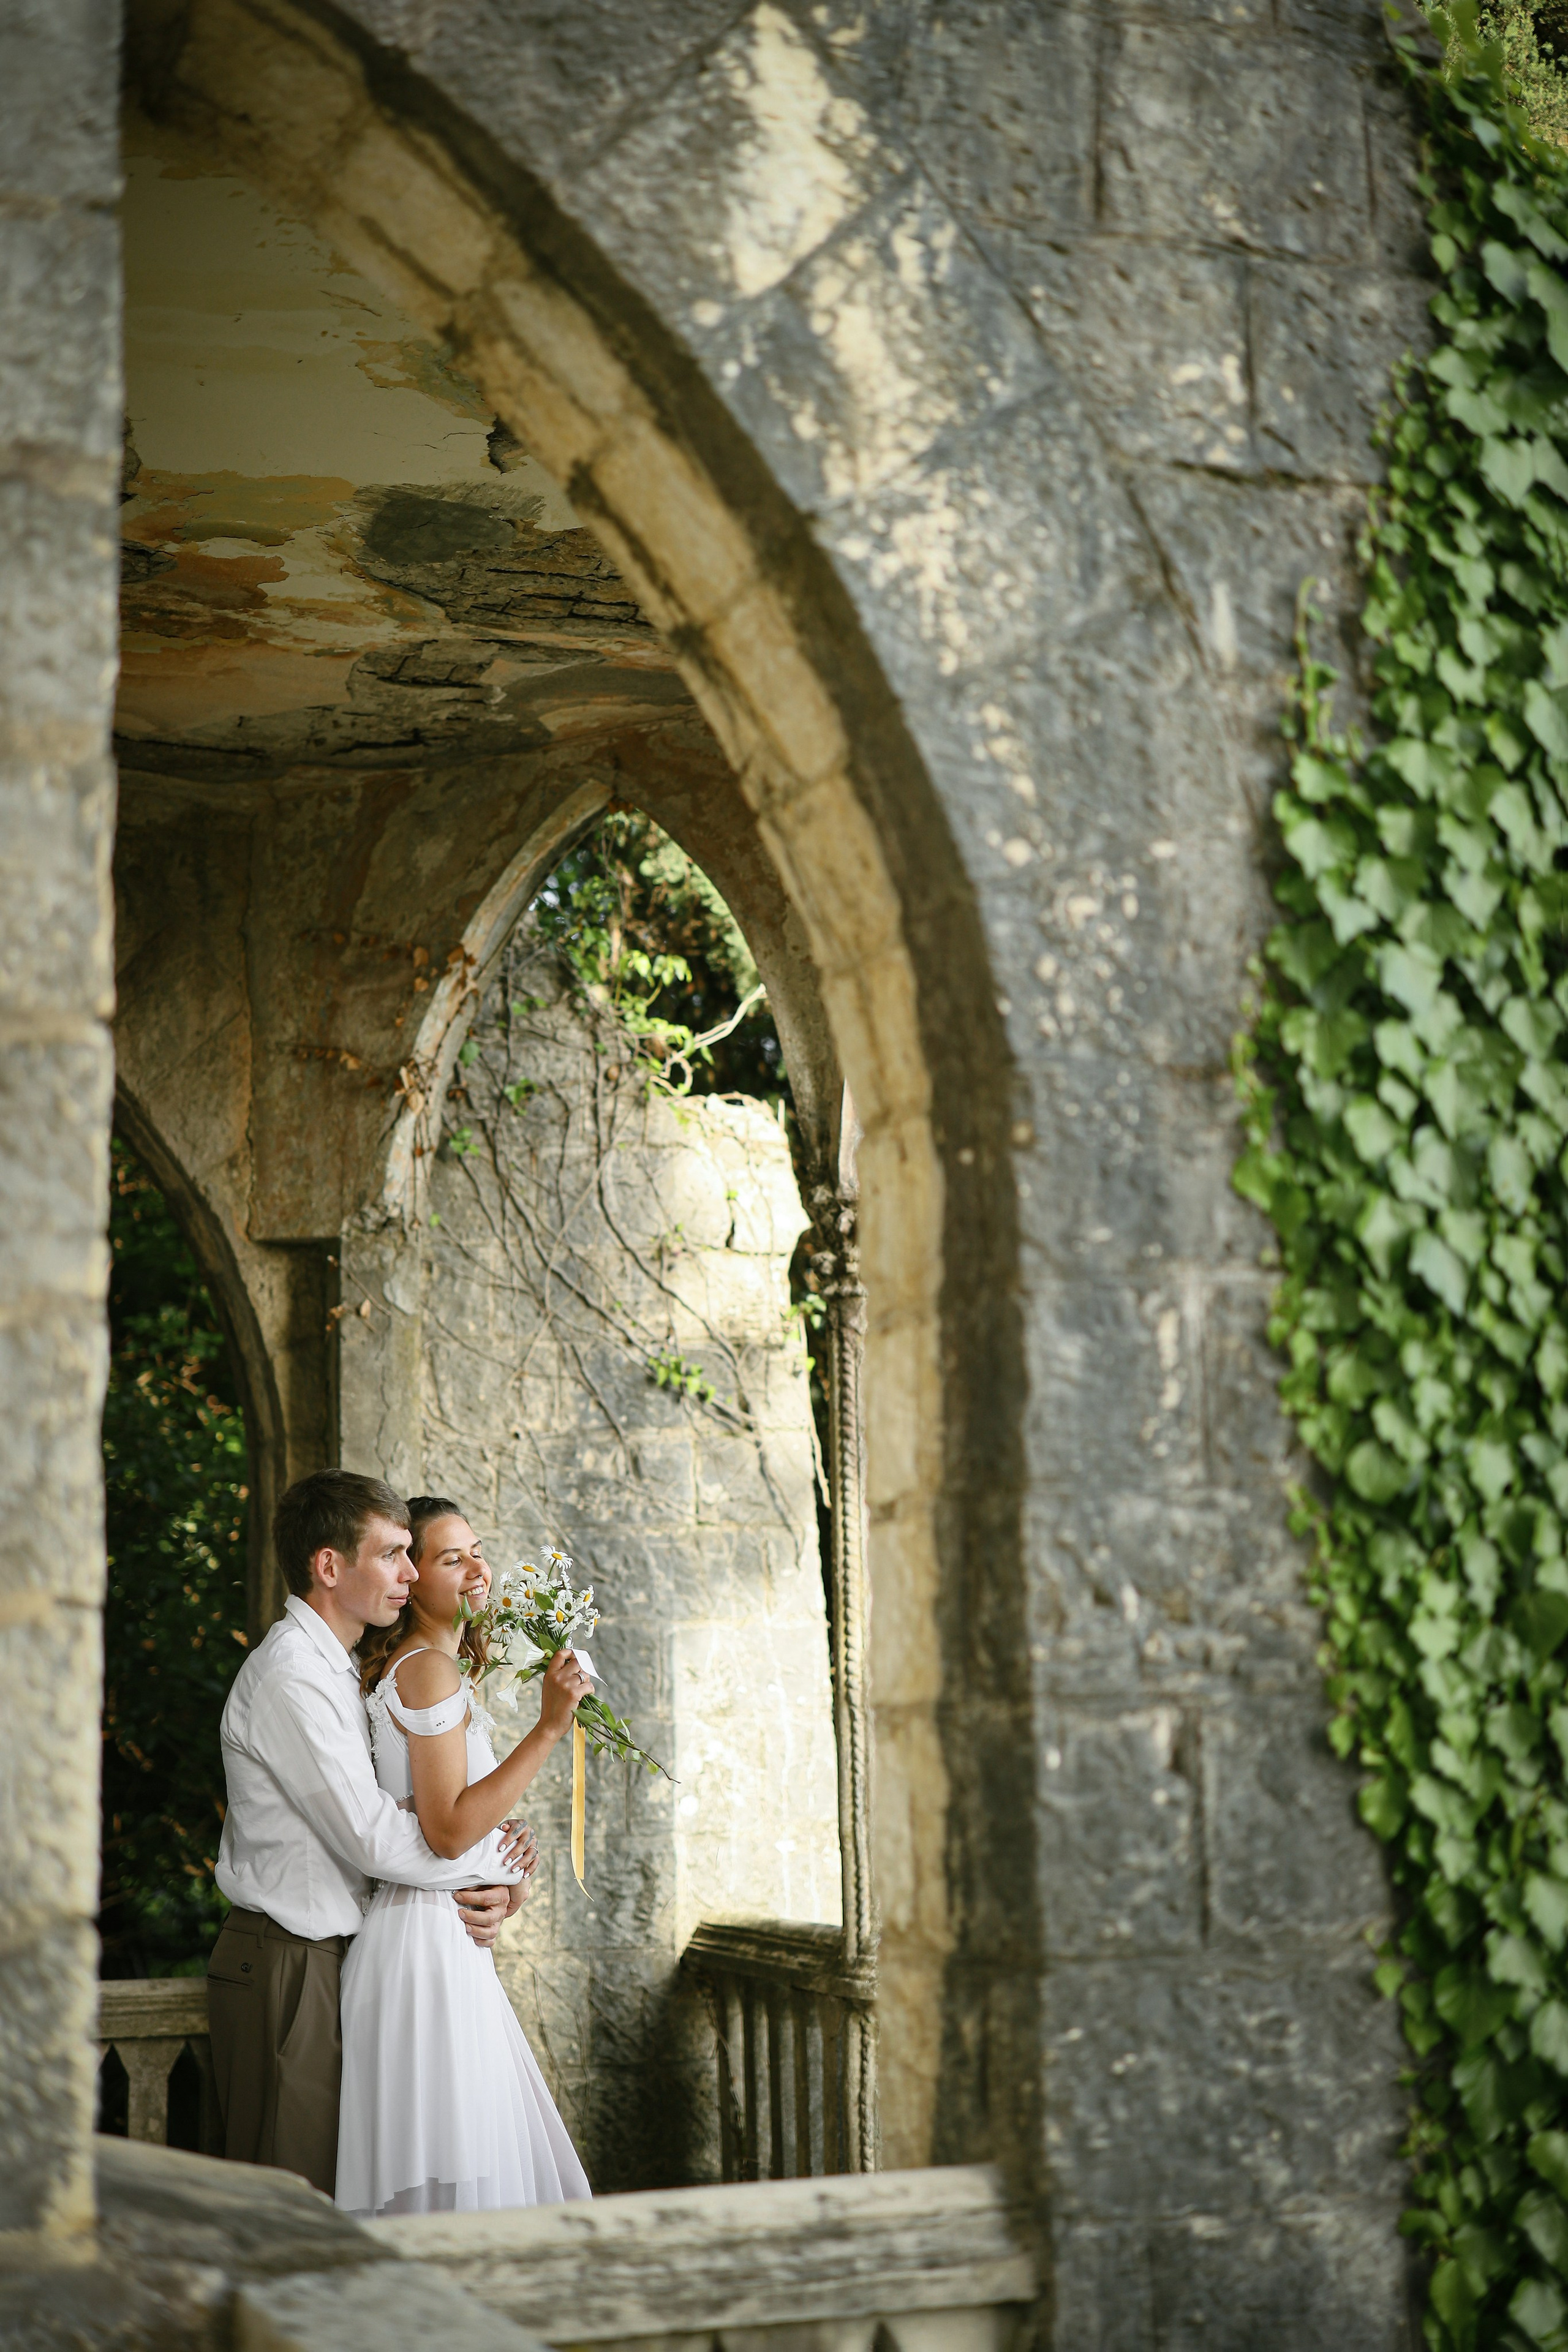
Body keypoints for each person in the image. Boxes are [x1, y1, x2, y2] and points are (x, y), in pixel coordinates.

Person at [208, 1471, 534, 2196]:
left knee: (337, 2194)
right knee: (294, 2208)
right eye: (392, 1554)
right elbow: (378, 1838)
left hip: (334, 1959)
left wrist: (499, 1857)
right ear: (330, 1567)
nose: (411, 1573)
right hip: (286, 1964)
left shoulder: (341, 1671)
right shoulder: (292, 1676)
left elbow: (419, 1808)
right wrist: (492, 1864)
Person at [335, 1495, 592, 2215]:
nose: (479, 1568)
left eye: (478, 1550)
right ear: (412, 1578)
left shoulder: (441, 1669)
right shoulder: (427, 1672)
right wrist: (548, 1728)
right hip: (423, 1950)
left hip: (446, 1936)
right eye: (453, 1558)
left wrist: (505, 1868)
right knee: (451, 2188)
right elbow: (448, 1830)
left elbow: (457, 1821)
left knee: (473, 2173)